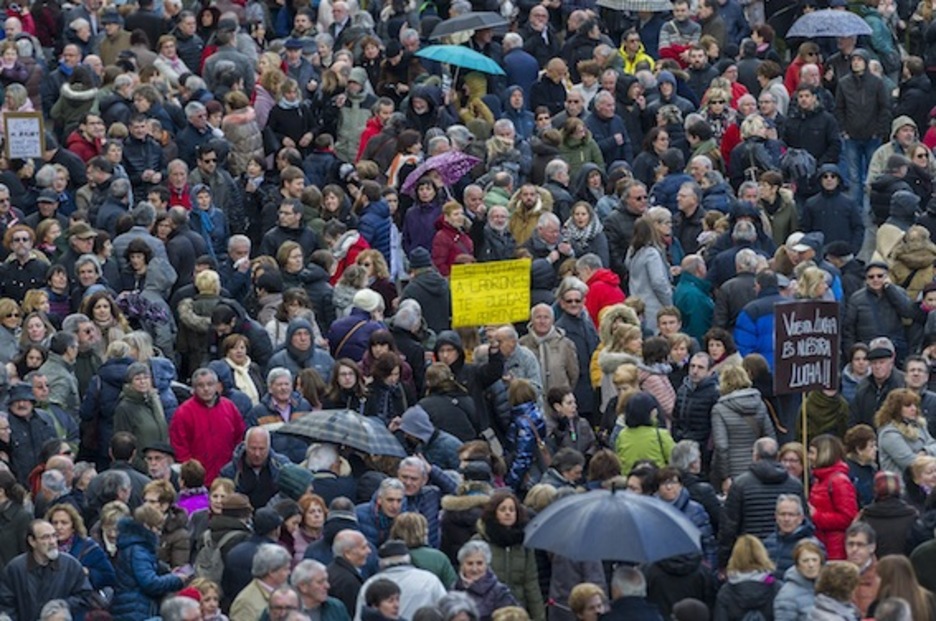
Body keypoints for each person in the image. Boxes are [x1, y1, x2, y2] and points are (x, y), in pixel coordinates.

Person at [719, 438, 806, 571]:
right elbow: (805, 522)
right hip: (787, 553)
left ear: (755, 456)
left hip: (751, 554)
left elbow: (729, 526)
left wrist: (724, 562)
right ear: (777, 456)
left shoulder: (741, 484)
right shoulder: (795, 484)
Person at [0, 518, 94, 620]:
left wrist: (62, 606)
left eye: (54, 536)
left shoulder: (70, 565)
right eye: (45, 537)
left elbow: (85, 596)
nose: (53, 542)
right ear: (32, 541)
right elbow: (6, 603)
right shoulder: (15, 568)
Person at [474, 491, 545, 621]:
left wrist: (539, 617)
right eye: (503, 509)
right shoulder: (480, 542)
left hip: (517, 612)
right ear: (494, 513)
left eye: (512, 510)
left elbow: (531, 583)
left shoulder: (523, 544)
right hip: (488, 612)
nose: (508, 513)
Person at [169, 367, 246, 484]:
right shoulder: (183, 413)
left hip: (227, 478)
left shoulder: (229, 407)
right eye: (201, 385)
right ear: (194, 388)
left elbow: (239, 437)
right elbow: (180, 448)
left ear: (217, 386)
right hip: (198, 481)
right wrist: (192, 474)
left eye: (210, 384)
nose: (206, 389)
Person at [111, 504, 186, 619]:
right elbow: (150, 583)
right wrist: (176, 579)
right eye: (158, 528)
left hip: (128, 607)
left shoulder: (133, 546)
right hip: (136, 610)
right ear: (147, 526)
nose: (159, 533)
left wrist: (167, 572)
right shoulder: (139, 550)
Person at [808, 434, 859, 560]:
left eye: (812, 453)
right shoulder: (819, 480)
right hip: (821, 544)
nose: (809, 457)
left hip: (834, 548)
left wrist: (816, 516)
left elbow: (848, 518)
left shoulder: (838, 481)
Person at [875, 388, 936, 475]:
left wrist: (924, 451)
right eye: (908, 406)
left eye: (915, 405)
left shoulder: (919, 425)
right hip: (900, 485)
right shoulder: (888, 434)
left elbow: (933, 444)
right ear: (896, 409)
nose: (913, 409)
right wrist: (930, 456)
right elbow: (910, 463)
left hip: (923, 482)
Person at [453, 540, 518, 621]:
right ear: (462, 565)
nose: (474, 569)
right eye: (470, 563)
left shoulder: (500, 592)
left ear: (487, 564)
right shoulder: (454, 589)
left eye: (479, 563)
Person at [773, 539, 824, 620]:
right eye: (805, 561)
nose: (811, 565)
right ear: (797, 565)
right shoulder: (786, 596)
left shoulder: (828, 589)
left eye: (814, 560)